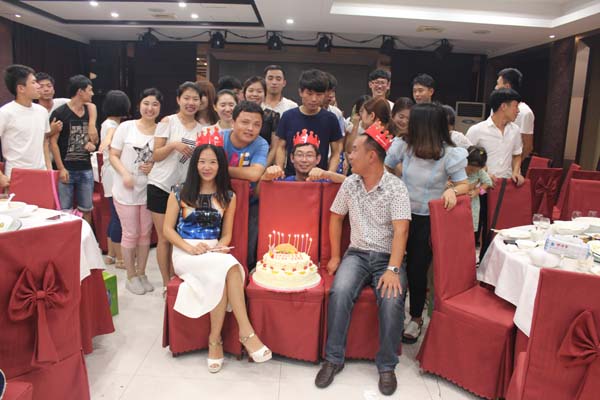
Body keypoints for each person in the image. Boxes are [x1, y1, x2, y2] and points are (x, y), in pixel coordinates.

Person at [315, 123, 411, 396]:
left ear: (372, 156)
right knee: (340, 291)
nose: (350, 155)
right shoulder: (350, 183)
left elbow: (401, 231)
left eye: (355, 150)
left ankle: (387, 366)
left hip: (387, 257)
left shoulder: (396, 187)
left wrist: (393, 269)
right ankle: (333, 358)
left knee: (392, 300)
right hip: (356, 254)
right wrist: (336, 255)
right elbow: (336, 217)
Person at [163, 142, 271, 372]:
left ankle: (215, 340)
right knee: (228, 267)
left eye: (213, 162)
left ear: (220, 166)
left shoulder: (228, 196)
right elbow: (167, 230)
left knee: (222, 270)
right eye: (202, 161)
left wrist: (221, 246)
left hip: (213, 251)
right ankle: (246, 332)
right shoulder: (179, 191)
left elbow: (226, 233)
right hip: (185, 252)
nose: (207, 167)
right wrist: (189, 248)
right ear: (195, 164)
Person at [385, 103, 469, 344]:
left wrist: (452, 190)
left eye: (413, 121)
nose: (407, 124)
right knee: (394, 263)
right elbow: (386, 167)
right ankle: (393, 313)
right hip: (399, 213)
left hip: (427, 218)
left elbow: (464, 184)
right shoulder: (403, 145)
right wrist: (395, 183)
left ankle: (415, 317)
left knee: (417, 269)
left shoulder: (449, 153)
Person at [148, 82, 202, 293]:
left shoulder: (202, 129)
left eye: (195, 99)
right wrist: (173, 145)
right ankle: (166, 283)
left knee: (180, 237)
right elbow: (155, 155)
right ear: (178, 100)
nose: (191, 103)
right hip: (160, 185)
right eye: (186, 98)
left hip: (184, 190)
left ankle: (177, 279)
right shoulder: (167, 122)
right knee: (164, 238)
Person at [109, 88, 160, 295]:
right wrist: (125, 174)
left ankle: (141, 273)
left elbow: (163, 158)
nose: (150, 108)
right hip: (126, 189)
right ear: (139, 105)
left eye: (155, 104)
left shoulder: (161, 131)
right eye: (146, 103)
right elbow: (113, 155)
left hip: (149, 189)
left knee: (145, 233)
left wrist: (153, 166)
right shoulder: (126, 127)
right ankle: (130, 276)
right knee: (130, 233)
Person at [222, 101, 269, 268]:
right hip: (219, 200)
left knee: (249, 244)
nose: (250, 128)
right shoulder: (219, 138)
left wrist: (222, 169)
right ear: (233, 122)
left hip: (249, 202)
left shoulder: (261, 143)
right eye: (245, 122)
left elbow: (255, 174)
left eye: (256, 125)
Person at [49, 74, 98, 224]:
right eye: (90, 90)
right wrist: (61, 168)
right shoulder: (60, 113)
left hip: (85, 168)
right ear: (80, 92)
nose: (92, 93)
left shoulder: (90, 111)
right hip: (66, 169)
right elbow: (53, 143)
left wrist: (92, 145)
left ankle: (86, 235)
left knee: (87, 208)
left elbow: (95, 140)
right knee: (65, 211)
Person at [276, 69, 343, 177]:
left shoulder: (330, 118)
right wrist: (279, 170)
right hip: (292, 178)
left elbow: (336, 152)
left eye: (319, 94)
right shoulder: (288, 116)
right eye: (309, 94)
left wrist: (329, 174)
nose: (314, 99)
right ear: (301, 92)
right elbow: (281, 147)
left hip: (319, 178)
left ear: (325, 95)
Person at [0, 64, 50, 188]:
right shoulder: (5, 113)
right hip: (17, 175)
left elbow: (44, 142)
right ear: (21, 88)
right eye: (33, 82)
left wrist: (49, 170)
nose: (38, 86)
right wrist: (0, 176)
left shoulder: (42, 111)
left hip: (41, 173)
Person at [98, 90, 131, 268]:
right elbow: (112, 133)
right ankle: (120, 258)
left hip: (108, 174)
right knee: (119, 217)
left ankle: (111, 254)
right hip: (114, 174)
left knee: (114, 215)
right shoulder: (112, 125)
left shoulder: (108, 123)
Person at [466, 88, 524, 185]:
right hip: (482, 186)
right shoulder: (477, 130)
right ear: (503, 106)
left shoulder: (515, 130)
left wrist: (516, 172)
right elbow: (464, 159)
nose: (518, 111)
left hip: (506, 184)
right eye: (516, 106)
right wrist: (482, 174)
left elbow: (517, 155)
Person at [36, 72, 97, 149]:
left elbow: (90, 105)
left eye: (49, 86)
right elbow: (34, 137)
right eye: (41, 86)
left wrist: (92, 125)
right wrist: (51, 131)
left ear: (54, 89)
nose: (46, 89)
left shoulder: (63, 103)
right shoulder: (34, 111)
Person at [260, 130, 346, 183]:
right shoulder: (284, 182)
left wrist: (327, 174)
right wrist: (266, 176)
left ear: (318, 159)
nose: (304, 160)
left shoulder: (325, 182)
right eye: (299, 155)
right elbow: (260, 191)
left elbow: (348, 182)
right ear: (292, 158)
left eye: (309, 155)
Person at [495, 68, 535, 159]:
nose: (495, 87)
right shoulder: (497, 108)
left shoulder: (525, 112)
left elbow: (527, 146)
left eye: (498, 84)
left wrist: (514, 164)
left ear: (507, 87)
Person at [243, 76, 280, 166]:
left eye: (259, 91)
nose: (255, 94)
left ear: (265, 94)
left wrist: (262, 167)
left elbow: (274, 147)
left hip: (263, 162)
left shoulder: (272, 116)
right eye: (251, 90)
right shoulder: (237, 114)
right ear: (244, 93)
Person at [466, 146, 493, 236]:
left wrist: (478, 191)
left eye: (474, 170)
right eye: (470, 169)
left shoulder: (480, 172)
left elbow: (488, 183)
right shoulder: (458, 168)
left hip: (472, 204)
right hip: (458, 201)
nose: (471, 171)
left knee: (470, 227)